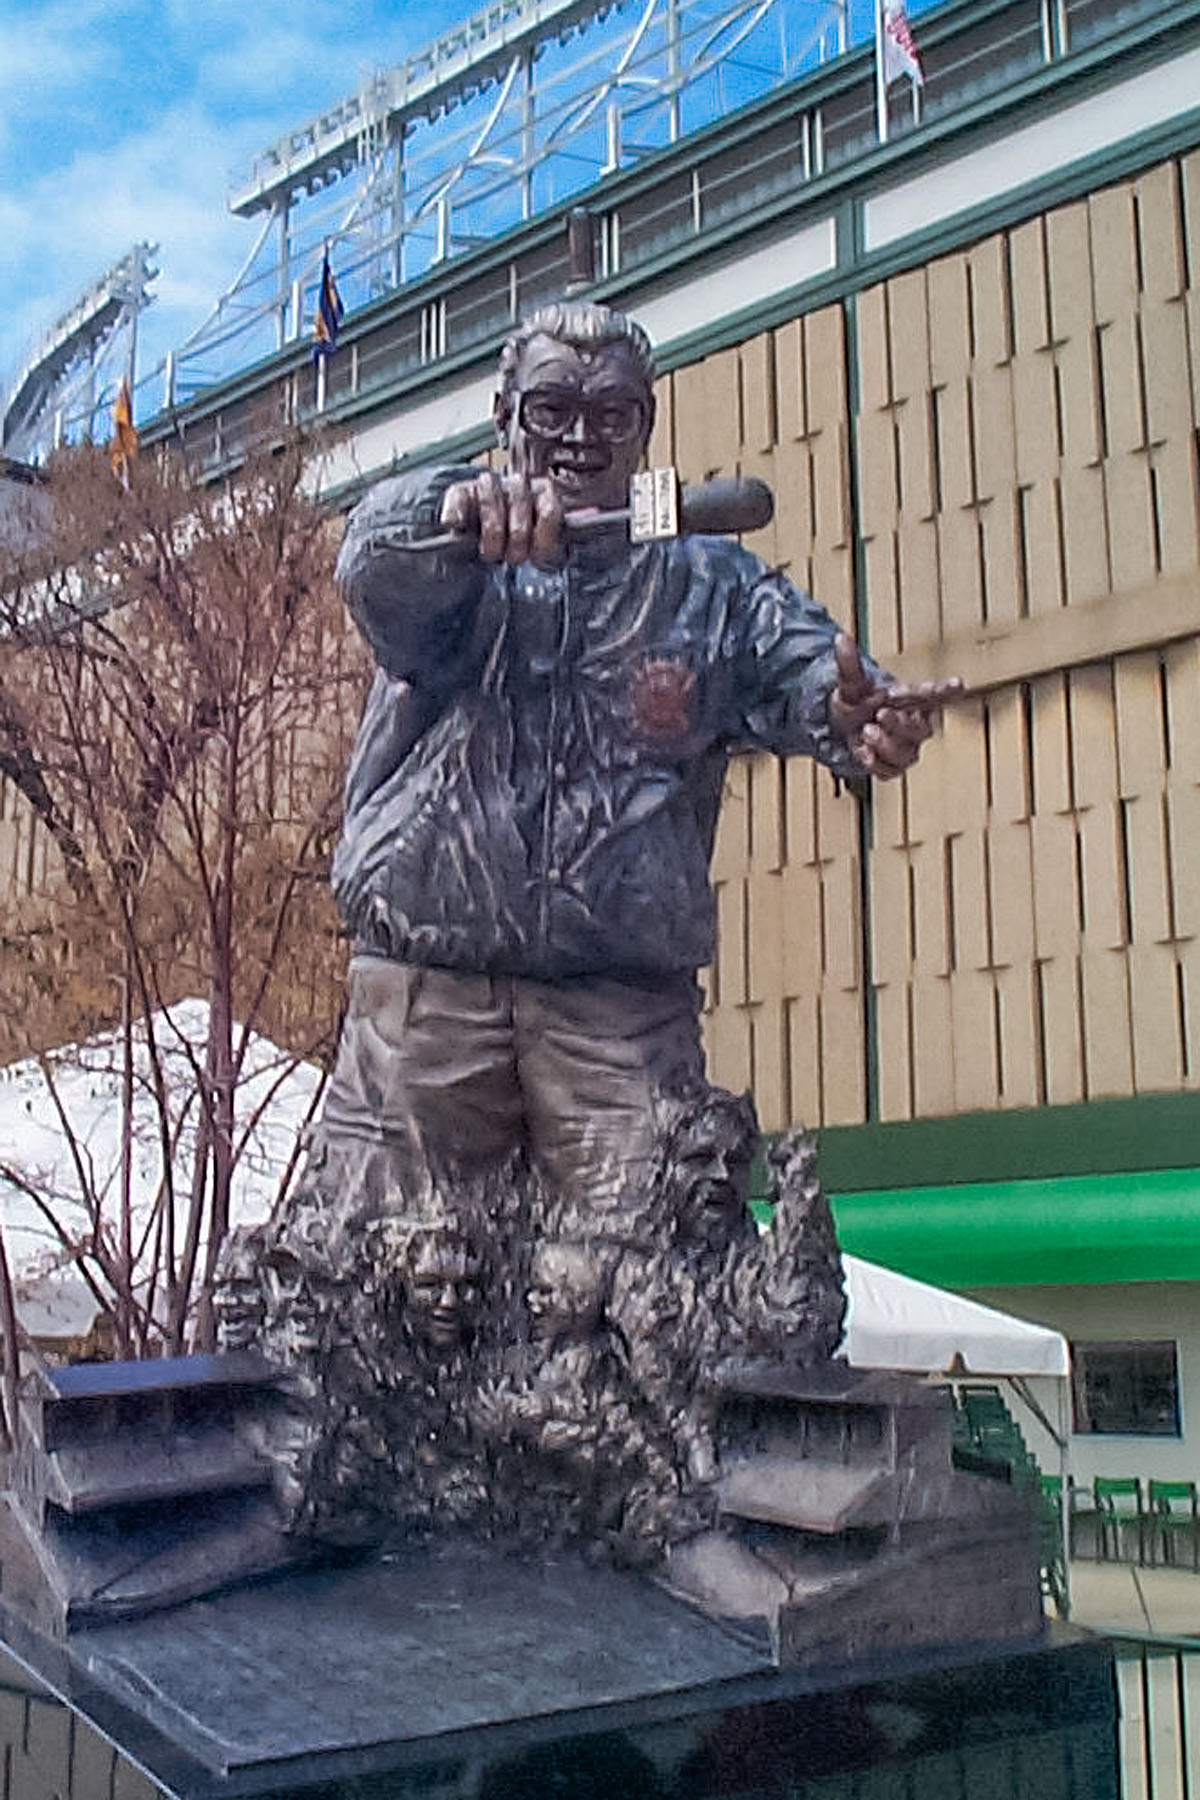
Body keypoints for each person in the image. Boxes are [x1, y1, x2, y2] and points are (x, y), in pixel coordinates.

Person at [325, 298, 958, 1230]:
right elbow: (371, 567)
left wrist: (848, 708)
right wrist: (449, 504)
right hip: (423, 1008)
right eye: (551, 410)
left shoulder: (707, 583)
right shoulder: (451, 557)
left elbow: (809, 667)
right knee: (372, 1283)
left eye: (612, 413)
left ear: (645, 428)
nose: (581, 436)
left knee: (664, 1274)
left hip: (620, 1020)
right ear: (506, 420)